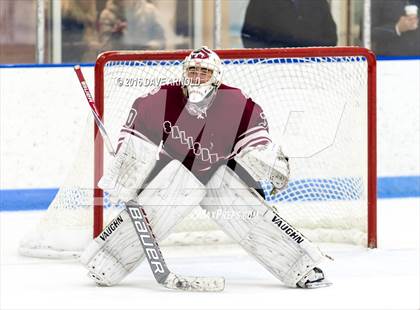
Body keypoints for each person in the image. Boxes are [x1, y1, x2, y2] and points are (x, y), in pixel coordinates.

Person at [79, 47, 331, 289]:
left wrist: (269, 162)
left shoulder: (236, 102)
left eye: (205, 72)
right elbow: (135, 141)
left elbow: (256, 142)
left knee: (252, 217)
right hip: (174, 169)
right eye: (193, 71)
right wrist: (127, 176)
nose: (197, 77)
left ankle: (302, 267)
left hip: (221, 169)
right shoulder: (161, 99)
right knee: (149, 214)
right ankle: (106, 263)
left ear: (217, 77)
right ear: (183, 73)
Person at [241, 0, 337, 48]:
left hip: (313, 69)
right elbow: (249, 36)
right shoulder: (260, 2)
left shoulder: (318, 2)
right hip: (272, 71)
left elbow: (331, 38)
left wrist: (313, 55)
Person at [98, 0, 165, 52]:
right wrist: (116, 35)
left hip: (147, 64)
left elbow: (160, 40)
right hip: (119, 65)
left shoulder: (151, 11)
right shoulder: (106, 15)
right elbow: (105, 49)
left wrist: (147, 51)